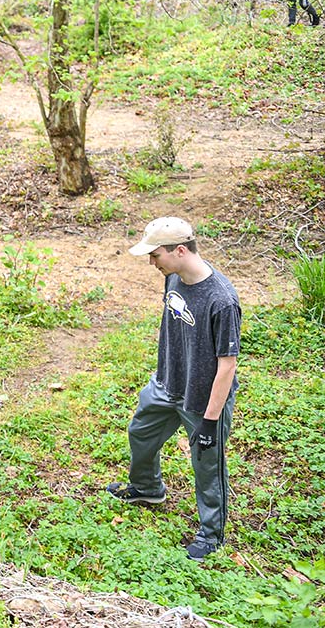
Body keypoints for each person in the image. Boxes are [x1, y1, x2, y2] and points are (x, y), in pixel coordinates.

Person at [107, 217, 241, 562]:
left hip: (201, 399)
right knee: (140, 433)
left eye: (156, 255)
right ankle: (148, 490)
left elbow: (227, 366)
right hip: (166, 384)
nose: (153, 263)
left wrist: (210, 422)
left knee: (208, 466)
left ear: (180, 250)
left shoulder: (222, 300)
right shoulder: (173, 278)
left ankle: (211, 535)